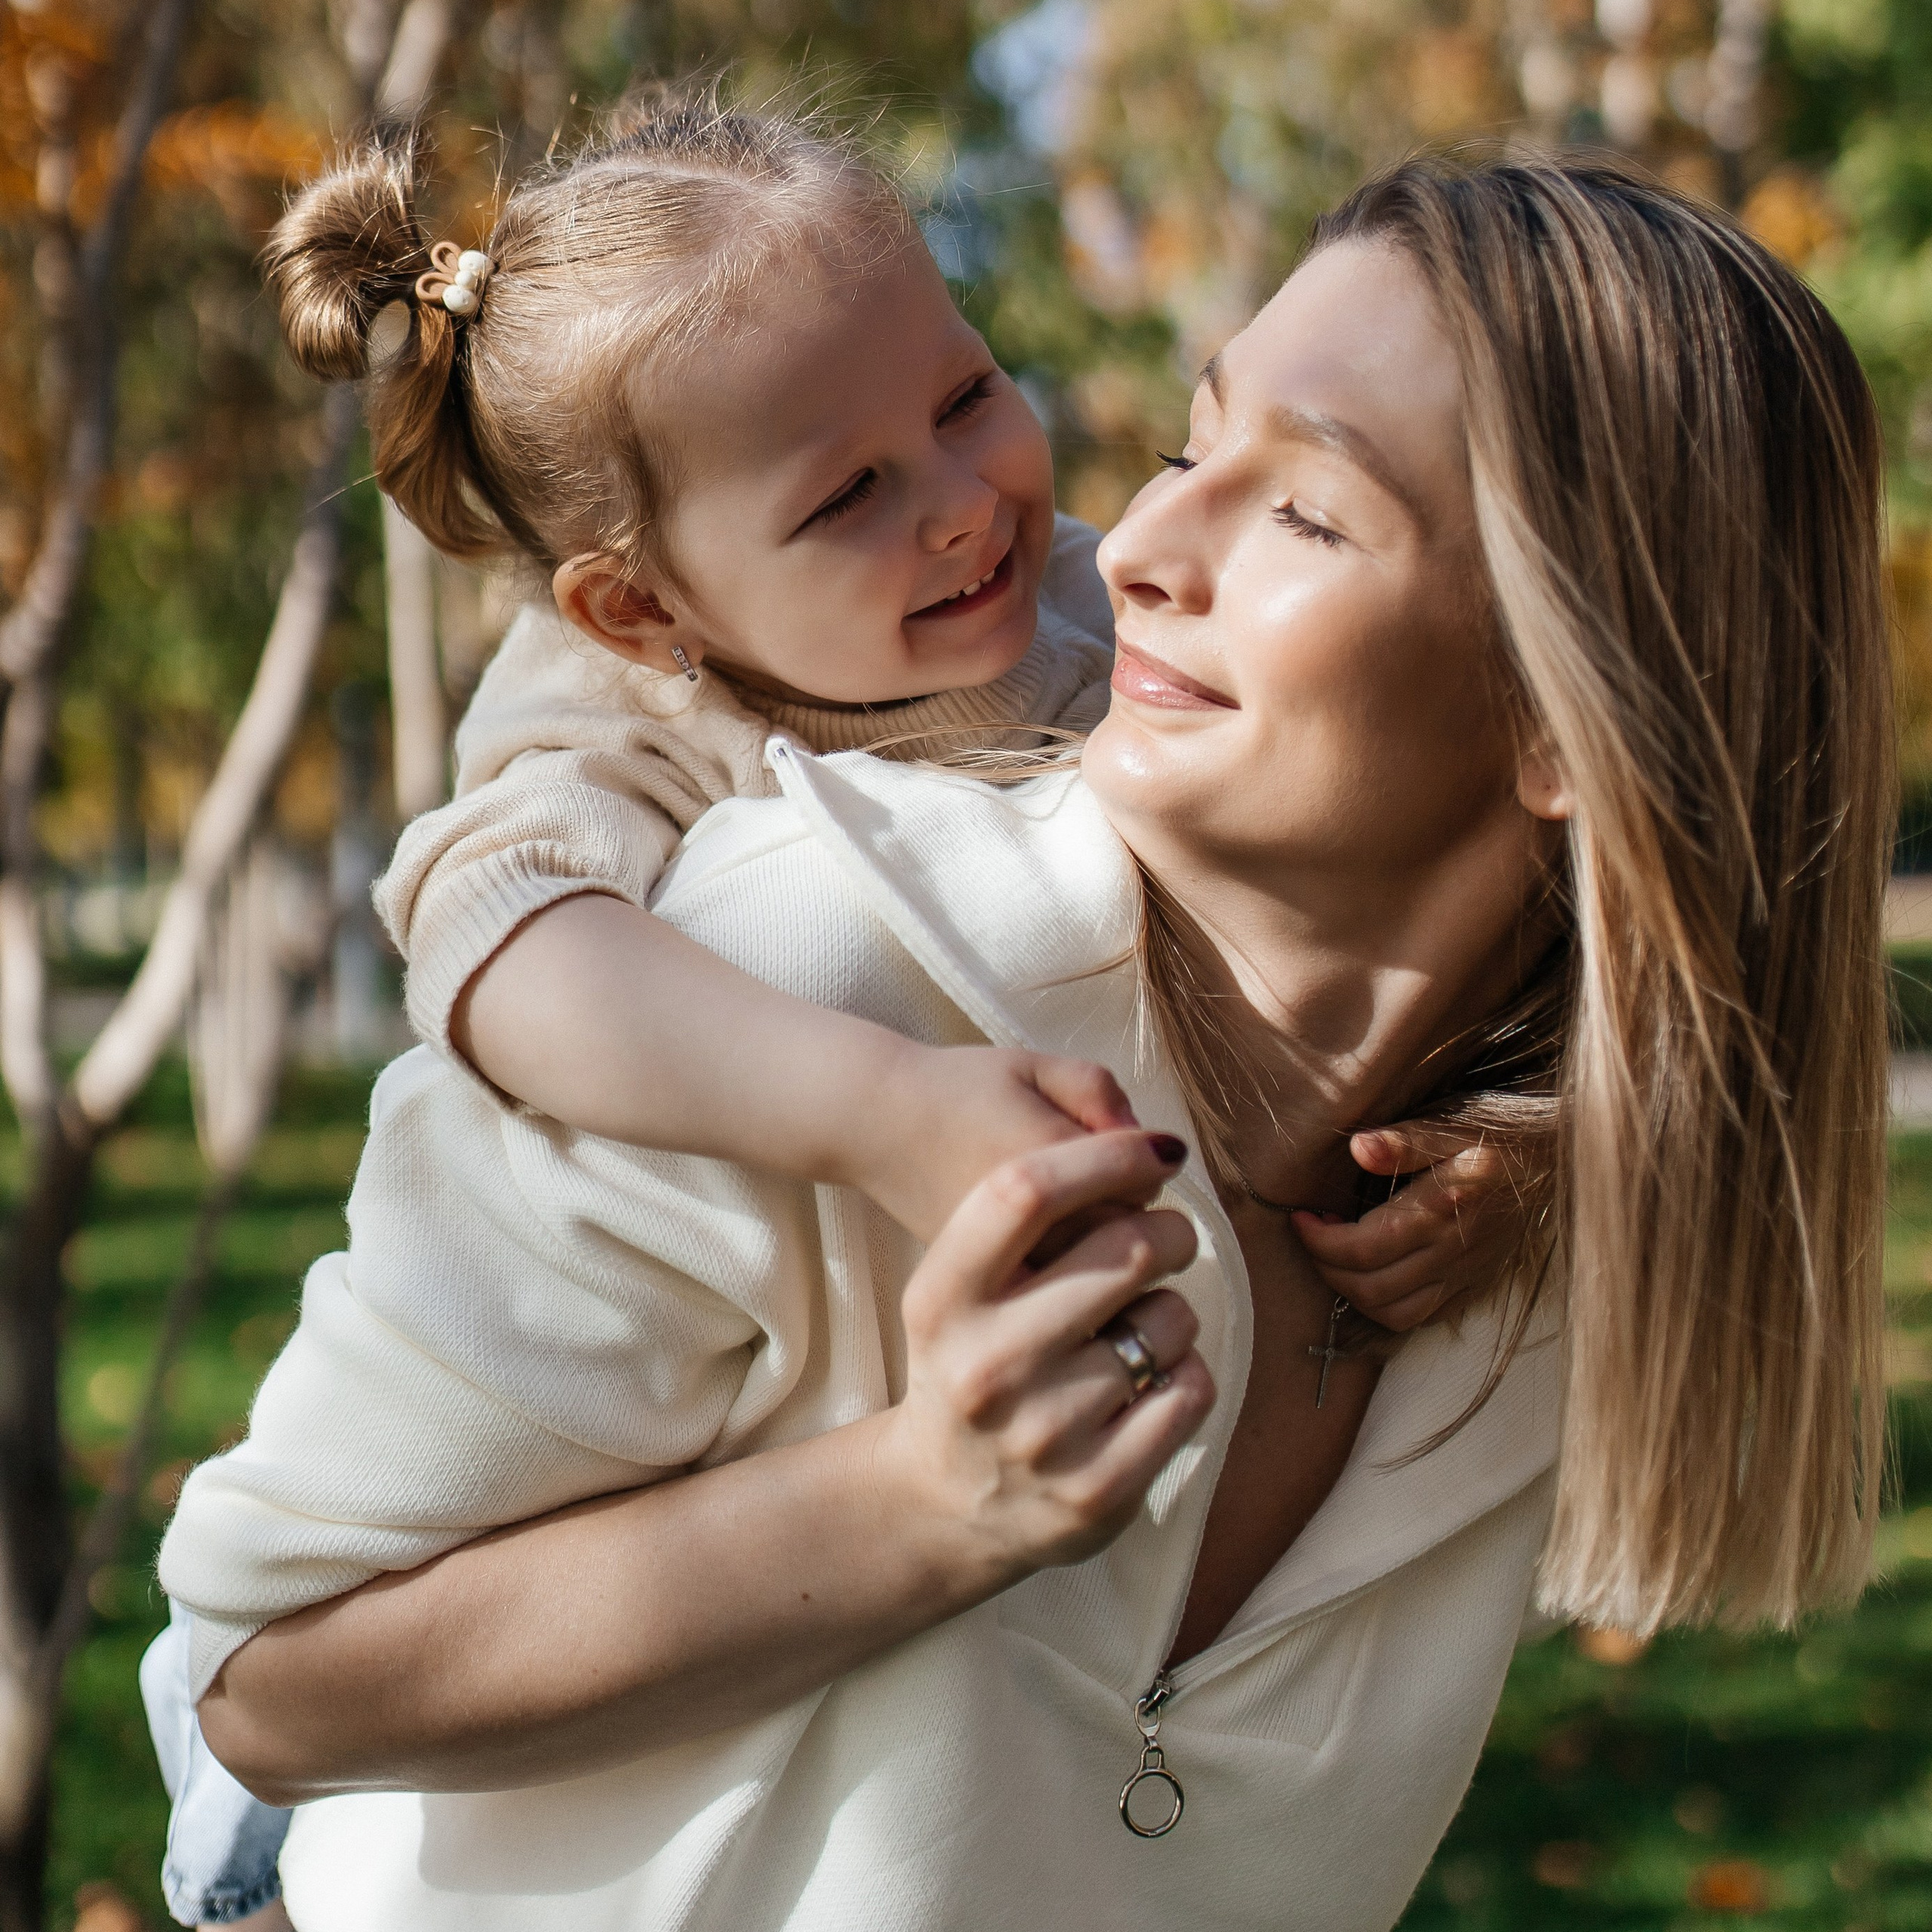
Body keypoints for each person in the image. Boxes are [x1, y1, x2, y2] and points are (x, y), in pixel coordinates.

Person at [160, 149, 1890, 1931]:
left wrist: (1556, 1148)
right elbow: (261, 1677)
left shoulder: (1519, 1226)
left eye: (1299, 512)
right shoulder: (775, 958)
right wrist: (916, 1504)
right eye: (1188, 449)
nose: (1122, 552)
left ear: (1570, 711)